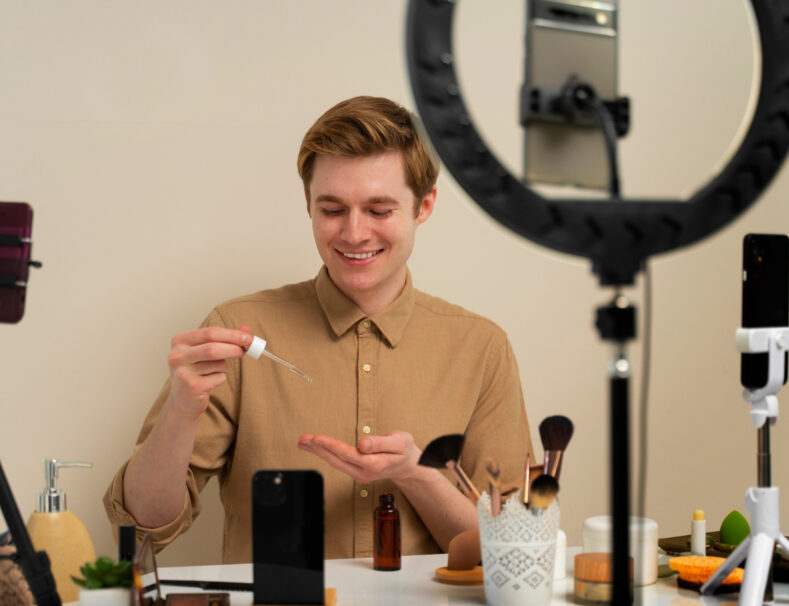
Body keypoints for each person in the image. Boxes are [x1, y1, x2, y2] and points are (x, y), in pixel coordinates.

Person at [103, 95, 533, 562]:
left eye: (379, 210)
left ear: (424, 205)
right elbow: (141, 529)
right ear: (308, 205)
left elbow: (513, 552)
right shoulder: (236, 330)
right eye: (332, 209)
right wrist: (179, 414)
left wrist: (416, 473)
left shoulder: (481, 348)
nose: (354, 233)